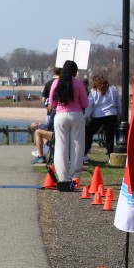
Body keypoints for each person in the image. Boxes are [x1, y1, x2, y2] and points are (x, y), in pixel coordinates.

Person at [48, 60, 88, 189]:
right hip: (76, 115)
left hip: (60, 115)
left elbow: (52, 104)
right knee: (77, 146)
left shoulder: (56, 83)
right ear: (74, 72)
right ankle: (76, 177)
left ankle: (62, 178)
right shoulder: (78, 83)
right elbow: (85, 103)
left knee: (61, 146)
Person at [84, 74, 121, 160]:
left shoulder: (94, 91)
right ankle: (110, 156)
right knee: (109, 136)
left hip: (98, 115)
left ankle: (85, 152)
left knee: (89, 132)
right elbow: (118, 103)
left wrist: (87, 116)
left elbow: (89, 105)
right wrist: (119, 114)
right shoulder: (113, 89)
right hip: (111, 114)